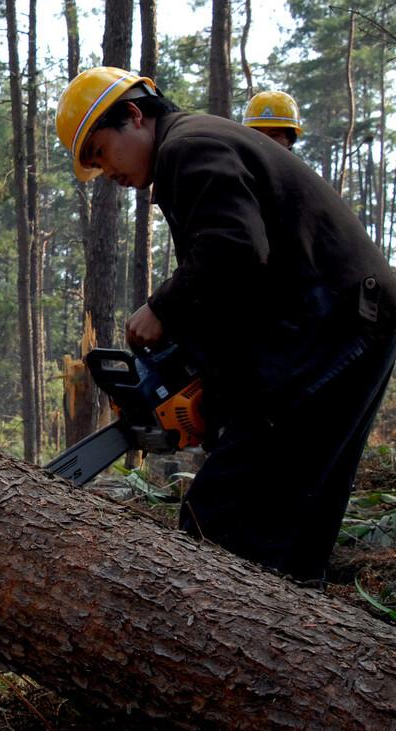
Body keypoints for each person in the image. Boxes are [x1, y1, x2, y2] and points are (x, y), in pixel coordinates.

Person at [55, 66, 396, 582]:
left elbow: (234, 251)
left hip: (338, 319)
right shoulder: (196, 145)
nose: (107, 174)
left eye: (101, 154)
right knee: (297, 506)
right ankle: (295, 618)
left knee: (220, 519)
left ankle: (227, 626)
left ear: (133, 115)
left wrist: (162, 309)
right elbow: (238, 292)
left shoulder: (189, 149)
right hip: (342, 319)